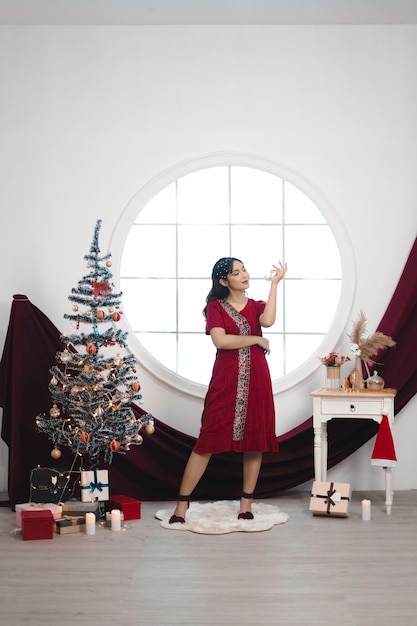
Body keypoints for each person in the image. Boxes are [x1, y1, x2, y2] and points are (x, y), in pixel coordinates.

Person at [169, 256, 288, 523]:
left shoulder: (256, 305)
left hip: (257, 378)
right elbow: (220, 341)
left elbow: (268, 321)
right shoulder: (215, 307)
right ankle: (181, 506)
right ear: (224, 280)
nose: (244, 274)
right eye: (236, 272)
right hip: (226, 379)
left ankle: (246, 505)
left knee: (254, 440)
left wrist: (275, 285)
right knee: (207, 439)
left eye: (244, 268)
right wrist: (255, 338)